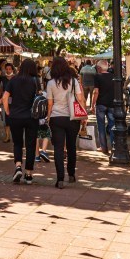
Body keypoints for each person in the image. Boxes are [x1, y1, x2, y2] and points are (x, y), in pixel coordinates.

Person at [46, 56, 87, 189]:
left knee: (58, 148)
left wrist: (47, 117)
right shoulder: (74, 81)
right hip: (72, 118)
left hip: (56, 118)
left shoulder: (51, 83)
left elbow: (50, 103)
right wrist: (84, 116)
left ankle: (60, 179)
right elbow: (80, 99)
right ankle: (71, 174)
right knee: (71, 147)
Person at [3, 59, 40, 184]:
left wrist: (8, 111)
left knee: (17, 143)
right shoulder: (35, 81)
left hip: (16, 116)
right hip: (31, 117)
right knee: (31, 145)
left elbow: (5, 97)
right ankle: (28, 174)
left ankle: (18, 166)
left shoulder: (13, 80)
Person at [91, 60, 116, 156]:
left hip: (101, 104)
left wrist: (93, 104)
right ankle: (114, 146)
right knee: (112, 125)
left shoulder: (97, 76)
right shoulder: (113, 76)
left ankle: (104, 147)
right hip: (111, 104)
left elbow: (96, 91)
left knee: (101, 126)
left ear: (99, 68)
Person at [0, 62, 15, 142]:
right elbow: (0, 90)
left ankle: (14, 135)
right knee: (5, 119)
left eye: (9, 69)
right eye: (6, 69)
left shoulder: (16, 78)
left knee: (13, 119)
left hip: (14, 102)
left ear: (12, 69)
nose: (8, 70)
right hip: (5, 101)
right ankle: (7, 136)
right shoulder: (3, 79)